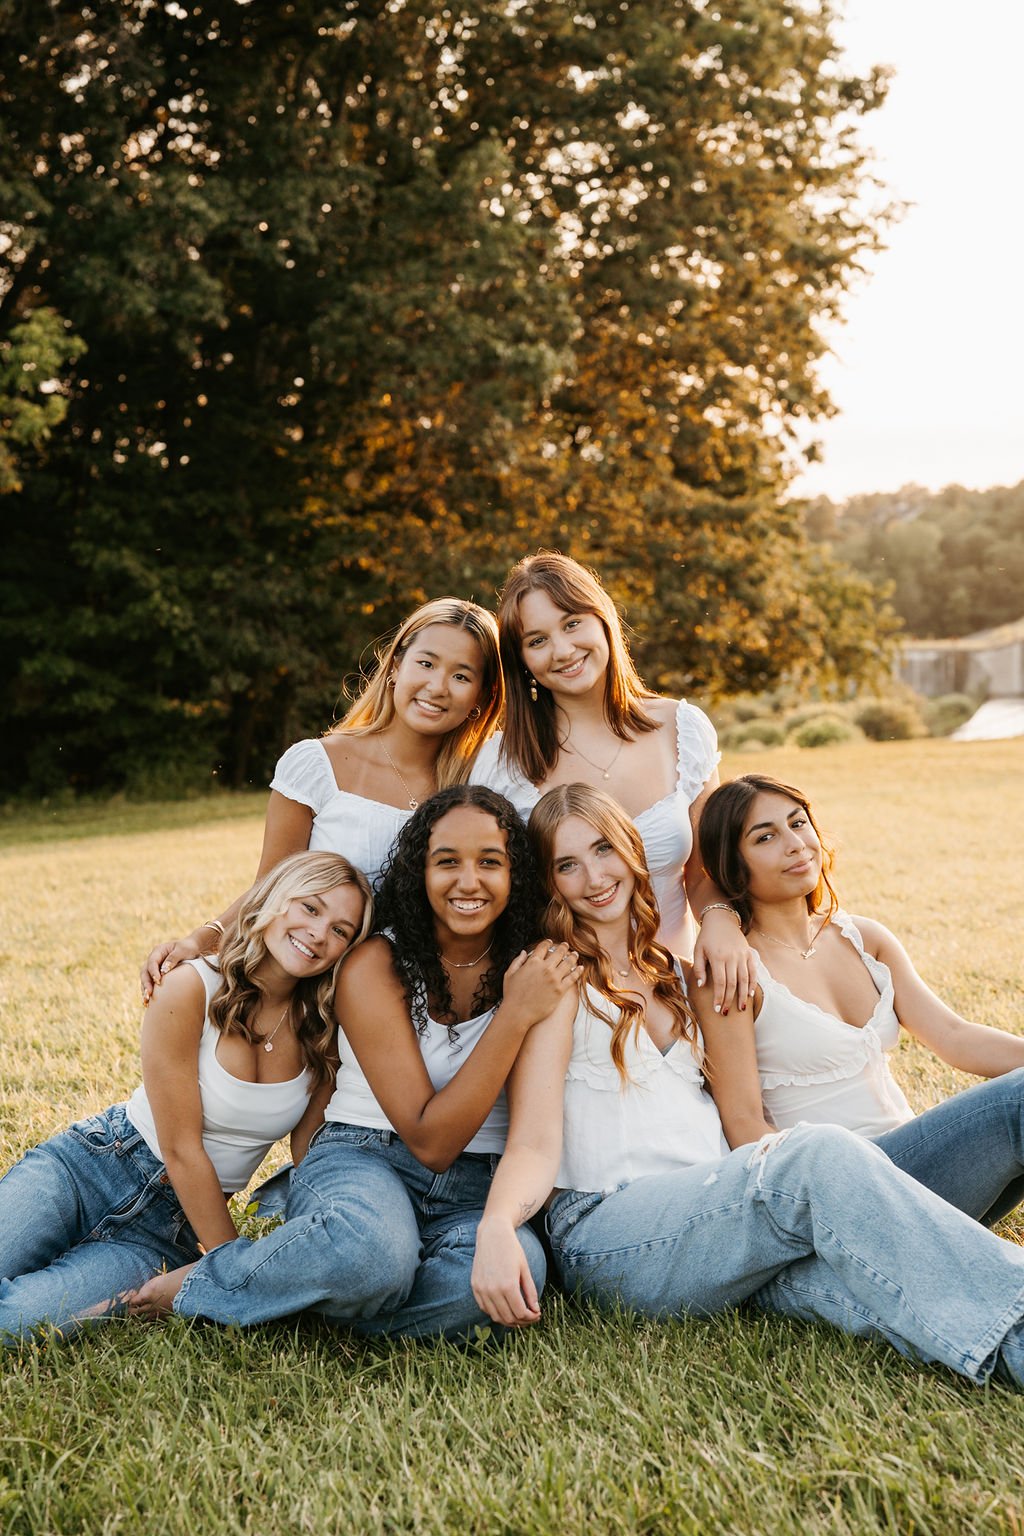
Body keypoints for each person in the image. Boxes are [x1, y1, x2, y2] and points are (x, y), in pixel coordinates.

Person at [469, 783, 1024, 1390]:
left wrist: (720, 918)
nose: (593, 876)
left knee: (870, 1286)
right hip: (613, 1230)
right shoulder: (556, 982)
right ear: (549, 882)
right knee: (815, 1151)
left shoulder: (678, 976)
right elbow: (531, 1143)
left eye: (604, 850)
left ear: (632, 854)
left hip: (727, 1221)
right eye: (566, 864)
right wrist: (497, 1226)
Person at [128, 786, 580, 1339]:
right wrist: (513, 1015)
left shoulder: (535, 966)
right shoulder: (375, 962)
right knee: (372, 1257)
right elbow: (429, 1140)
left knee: (511, 1280)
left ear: (517, 876)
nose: (469, 881)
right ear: (419, 872)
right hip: (368, 1157)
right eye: (447, 862)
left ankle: (301, 1295)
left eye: (490, 862)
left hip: (480, 1184)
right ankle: (223, 1280)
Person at [0, 851, 373, 1345]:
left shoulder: (323, 1035)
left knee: (19, 1323)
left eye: (342, 930)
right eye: (309, 907)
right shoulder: (190, 985)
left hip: (166, 1234)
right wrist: (234, 1274)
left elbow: (308, 1158)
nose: (320, 932)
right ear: (273, 902)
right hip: (90, 1166)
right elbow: (181, 1148)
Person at [691, 773, 1024, 1224]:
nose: (795, 844)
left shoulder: (862, 937)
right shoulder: (733, 972)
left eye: (798, 823)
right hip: (848, 1196)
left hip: (917, 1168)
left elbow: (953, 1035)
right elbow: (744, 1122)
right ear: (732, 864)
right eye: (765, 837)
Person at [140, 597, 503, 1001]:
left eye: (461, 676)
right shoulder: (319, 764)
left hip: (425, 996)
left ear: (481, 697)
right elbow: (269, 888)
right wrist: (200, 940)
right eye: (426, 663)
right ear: (396, 666)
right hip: (315, 988)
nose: (437, 686)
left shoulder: (479, 782)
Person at [470, 551, 755, 1015]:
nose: (562, 651)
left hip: (672, 986)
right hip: (563, 999)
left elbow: (704, 872)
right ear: (520, 660)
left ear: (602, 621)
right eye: (537, 640)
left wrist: (721, 920)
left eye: (571, 624)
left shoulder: (681, 728)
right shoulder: (500, 761)